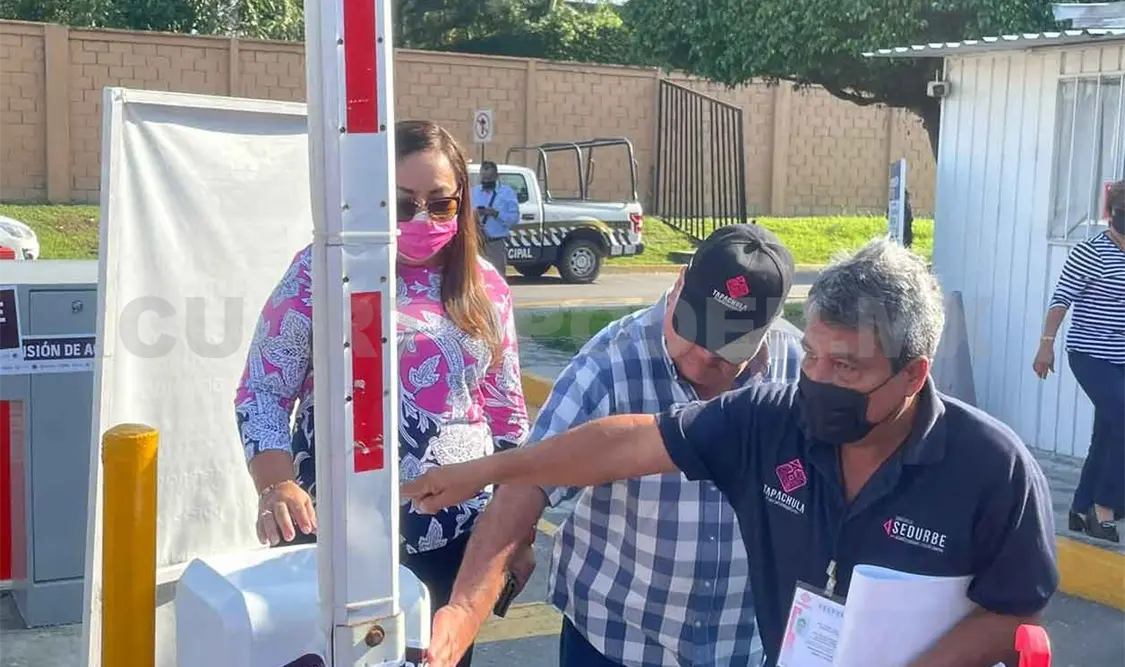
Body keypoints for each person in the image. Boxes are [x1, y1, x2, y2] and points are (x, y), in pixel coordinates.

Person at [405, 238, 1059, 667]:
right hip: (619, 642)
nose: (822, 380)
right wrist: (488, 472)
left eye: (847, 366)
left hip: (737, 650)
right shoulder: (768, 415)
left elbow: (1015, 611)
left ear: (913, 375)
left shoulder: (991, 468)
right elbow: (614, 446)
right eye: (815, 358)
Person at [422, 223, 802, 667]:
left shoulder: (798, 373)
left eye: (726, 348)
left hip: (745, 645)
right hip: (618, 643)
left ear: (767, 329)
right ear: (679, 286)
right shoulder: (614, 361)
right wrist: (464, 611)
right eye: (693, 330)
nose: (701, 355)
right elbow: (530, 481)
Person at [234, 119, 531, 667]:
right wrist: (275, 484)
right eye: (401, 203)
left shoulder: (485, 284)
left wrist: (518, 531)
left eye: (440, 204)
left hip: (454, 541)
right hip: (337, 538)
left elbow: (507, 416)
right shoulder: (320, 273)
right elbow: (262, 390)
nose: (422, 219)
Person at [1033, 179, 1125, 544]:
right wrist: (1046, 346)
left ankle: (1078, 507)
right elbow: (1061, 299)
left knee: (1107, 432)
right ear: (1114, 214)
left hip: (1122, 358)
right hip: (1090, 355)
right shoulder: (1091, 252)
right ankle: (1104, 507)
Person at [472, 160, 520, 276]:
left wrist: (496, 214)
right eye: (484, 179)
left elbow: (514, 218)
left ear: (496, 176)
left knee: (497, 279)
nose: (486, 181)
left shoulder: (507, 193)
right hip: (477, 243)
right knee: (477, 279)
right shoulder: (474, 192)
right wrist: (475, 214)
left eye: (489, 179)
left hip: (495, 244)